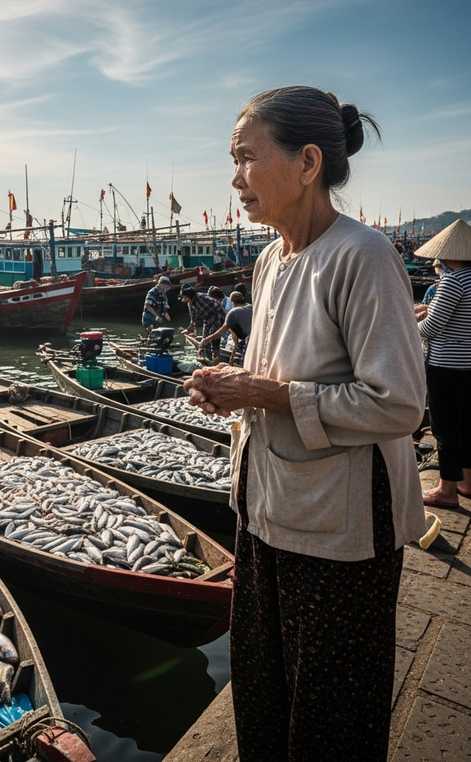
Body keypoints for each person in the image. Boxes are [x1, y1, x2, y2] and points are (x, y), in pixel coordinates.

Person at [183, 86, 425, 761]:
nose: (235, 178)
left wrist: (268, 393)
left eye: (246, 158)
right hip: (264, 511)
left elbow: (400, 404)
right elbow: (280, 376)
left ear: (309, 162)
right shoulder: (270, 259)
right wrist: (234, 395)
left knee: (330, 715)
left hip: (342, 531)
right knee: (264, 694)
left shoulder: (364, 256)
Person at [413, 220, 471, 508]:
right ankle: (466, 482)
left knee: (445, 428)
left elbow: (431, 329)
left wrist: (416, 319)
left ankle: (446, 491)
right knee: (466, 424)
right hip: (469, 365)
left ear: (447, 254)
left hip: (447, 366)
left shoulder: (453, 281)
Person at [179, 283, 225, 362]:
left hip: (218, 317)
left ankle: (215, 358)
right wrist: (190, 329)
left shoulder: (202, 298)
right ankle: (207, 359)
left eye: (184, 297)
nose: (183, 299)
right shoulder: (190, 303)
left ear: (189, 296)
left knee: (213, 337)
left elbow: (218, 305)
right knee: (204, 341)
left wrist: (214, 317)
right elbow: (193, 318)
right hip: (207, 320)